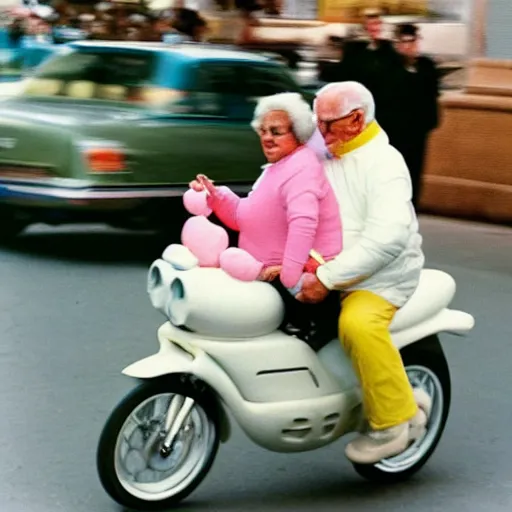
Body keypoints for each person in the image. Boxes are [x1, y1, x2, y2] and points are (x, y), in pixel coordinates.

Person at [297, 81, 430, 464]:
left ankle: (392, 422)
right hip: (323, 265)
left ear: (356, 119)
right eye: (315, 122)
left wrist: (327, 278)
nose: (319, 133)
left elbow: (387, 240)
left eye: (328, 124)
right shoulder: (324, 150)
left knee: (358, 324)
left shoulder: (385, 164)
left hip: (380, 278)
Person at [189, 92, 343, 343]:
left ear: (298, 133)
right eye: (263, 131)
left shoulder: (301, 169)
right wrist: (215, 195)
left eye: (276, 131)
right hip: (267, 276)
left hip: (303, 284)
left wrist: (289, 274)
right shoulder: (278, 168)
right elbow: (244, 216)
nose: (267, 138)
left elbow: (303, 224)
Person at [333, 9, 402, 142]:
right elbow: (344, 74)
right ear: (365, 27)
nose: (374, 28)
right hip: (359, 108)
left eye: (377, 24)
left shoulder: (389, 51)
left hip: (383, 111)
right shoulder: (355, 50)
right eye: (370, 24)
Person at [391, 23, 440, 207]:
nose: (410, 46)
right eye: (405, 42)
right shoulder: (391, 68)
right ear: (398, 44)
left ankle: (412, 208)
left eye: (413, 41)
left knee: (415, 172)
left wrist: (430, 122)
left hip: (418, 131)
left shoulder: (427, 67)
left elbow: (432, 95)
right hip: (395, 129)